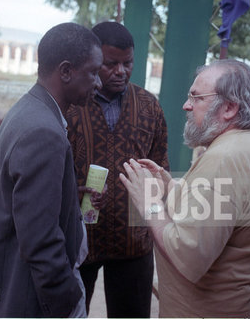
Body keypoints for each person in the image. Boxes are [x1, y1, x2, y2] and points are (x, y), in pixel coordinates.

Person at [120, 59, 250, 318]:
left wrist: (150, 204)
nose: (186, 105)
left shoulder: (224, 159)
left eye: (197, 98)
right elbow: (226, 215)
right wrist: (171, 185)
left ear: (230, 108)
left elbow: (188, 256)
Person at [0, 23, 103, 318]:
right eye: (93, 72)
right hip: (28, 296)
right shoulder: (43, 131)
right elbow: (40, 239)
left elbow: (25, 203)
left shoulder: (28, 111)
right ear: (66, 71)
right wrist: (66, 297)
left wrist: (67, 198)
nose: (99, 83)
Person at [65, 21, 169, 317]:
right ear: (94, 60)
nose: (121, 71)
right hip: (79, 240)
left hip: (133, 244)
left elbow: (161, 167)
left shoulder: (150, 106)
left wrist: (155, 224)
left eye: (128, 63)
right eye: (111, 64)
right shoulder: (71, 105)